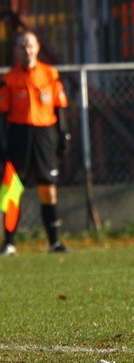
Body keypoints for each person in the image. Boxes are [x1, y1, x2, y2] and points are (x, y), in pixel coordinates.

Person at [0, 31, 70, 255]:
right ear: (16, 51)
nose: (26, 51)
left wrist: (63, 136)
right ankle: (9, 243)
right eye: (21, 47)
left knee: (48, 188)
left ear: (37, 47)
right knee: (12, 190)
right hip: (18, 136)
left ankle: (54, 242)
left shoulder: (50, 75)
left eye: (29, 46)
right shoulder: (9, 79)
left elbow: (60, 109)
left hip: (45, 135)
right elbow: (2, 114)